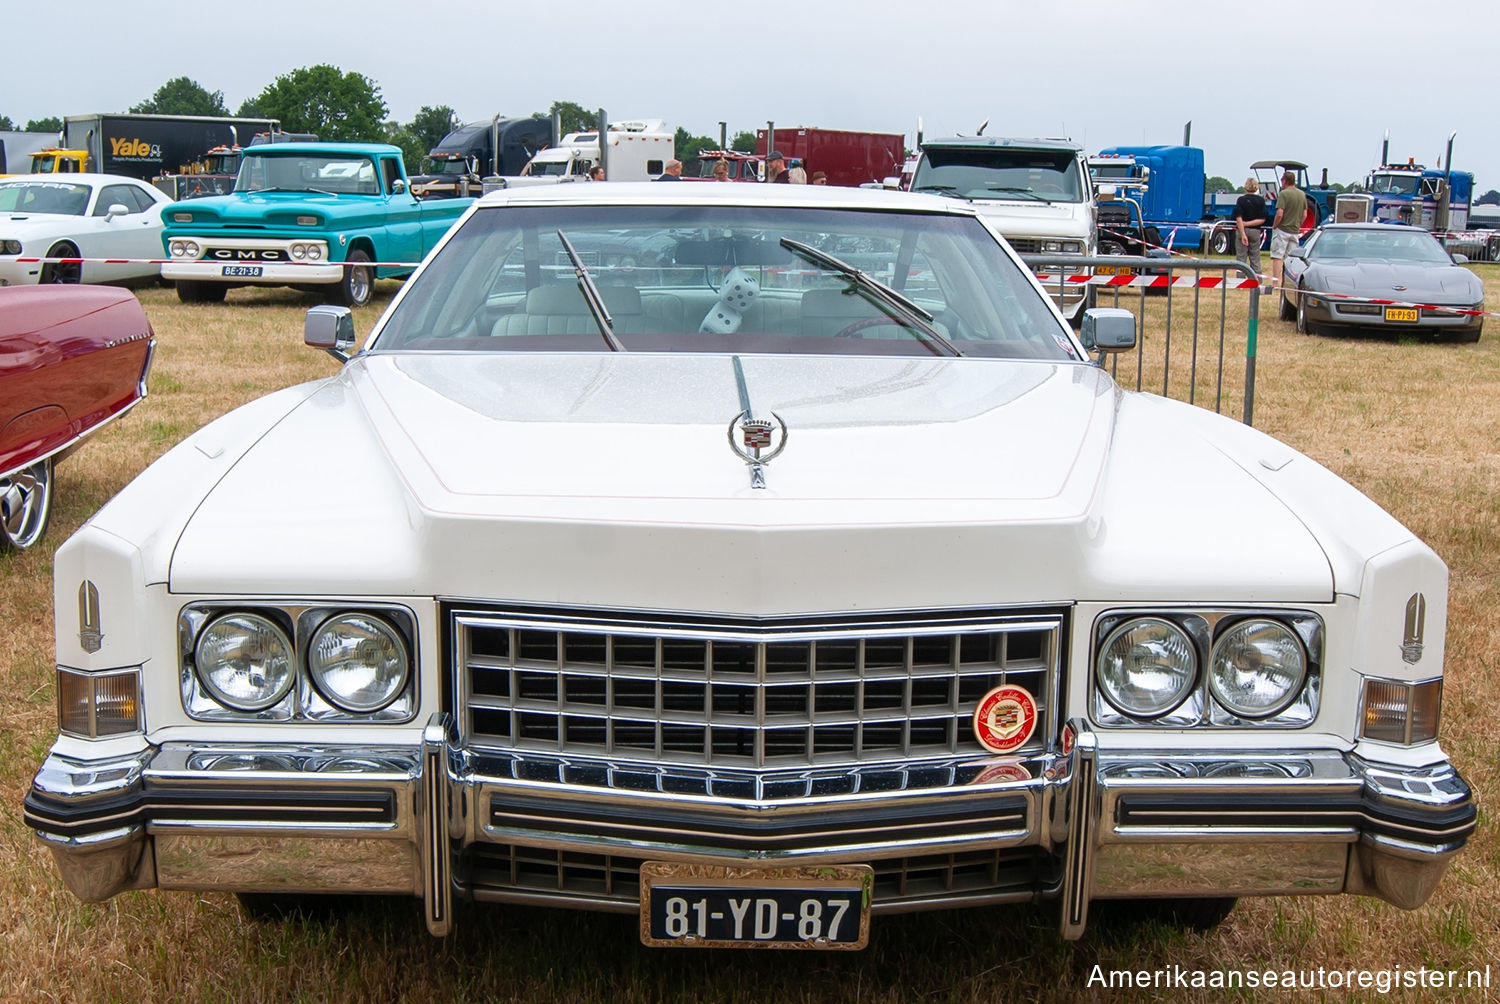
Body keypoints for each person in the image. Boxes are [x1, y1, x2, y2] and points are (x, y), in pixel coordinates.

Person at [1269, 170, 1307, 288]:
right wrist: (1298, 224)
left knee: (1277, 256)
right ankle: (1289, 283)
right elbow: (1305, 214)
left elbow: (1280, 213)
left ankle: (1276, 283)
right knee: (1291, 259)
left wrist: (1275, 225)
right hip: (1294, 231)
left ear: (1284, 181)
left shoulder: (1284, 194)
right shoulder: (1302, 194)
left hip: (1282, 229)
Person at [1231, 177, 1267, 281]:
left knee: (1241, 258)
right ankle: (1257, 280)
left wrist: (1243, 233)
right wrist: (1249, 224)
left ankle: (1240, 281)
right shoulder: (1260, 200)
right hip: (1255, 231)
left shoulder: (1241, 200)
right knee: (1255, 257)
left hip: (1242, 230)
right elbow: (1262, 219)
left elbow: (1238, 218)